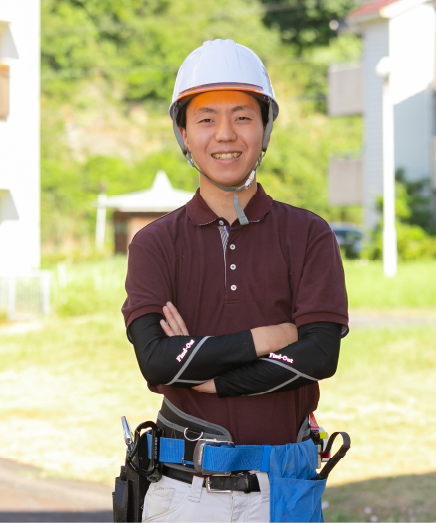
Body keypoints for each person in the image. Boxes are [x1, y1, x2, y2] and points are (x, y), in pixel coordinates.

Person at [122, 39, 349, 523]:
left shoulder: (309, 235)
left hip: (283, 491)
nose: (225, 134)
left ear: (266, 129)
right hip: (181, 496)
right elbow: (158, 362)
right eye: (206, 119)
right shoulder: (153, 245)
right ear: (183, 134)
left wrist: (207, 379)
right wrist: (270, 337)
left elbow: (318, 356)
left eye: (243, 117)